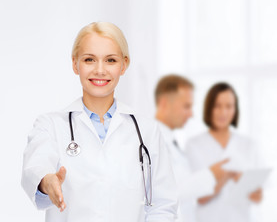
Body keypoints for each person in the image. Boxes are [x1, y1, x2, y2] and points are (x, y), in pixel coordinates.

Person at [21, 22, 178, 222]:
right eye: (89, 60)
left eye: (110, 60)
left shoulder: (146, 131)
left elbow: (163, 206)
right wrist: (47, 182)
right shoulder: (50, 125)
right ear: (75, 63)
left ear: (124, 65)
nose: (100, 70)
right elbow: (36, 167)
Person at [155, 75, 230, 222]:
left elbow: (187, 188)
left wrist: (217, 180)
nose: (191, 114)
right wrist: (211, 175)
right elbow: (168, 192)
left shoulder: (171, 141)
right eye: (186, 106)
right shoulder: (152, 141)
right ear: (164, 104)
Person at [186, 82, 262, 222]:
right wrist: (227, 175)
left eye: (229, 106)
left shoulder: (249, 145)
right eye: (217, 106)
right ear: (209, 108)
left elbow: (257, 198)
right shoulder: (194, 145)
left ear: (235, 110)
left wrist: (249, 188)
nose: (223, 112)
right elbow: (199, 197)